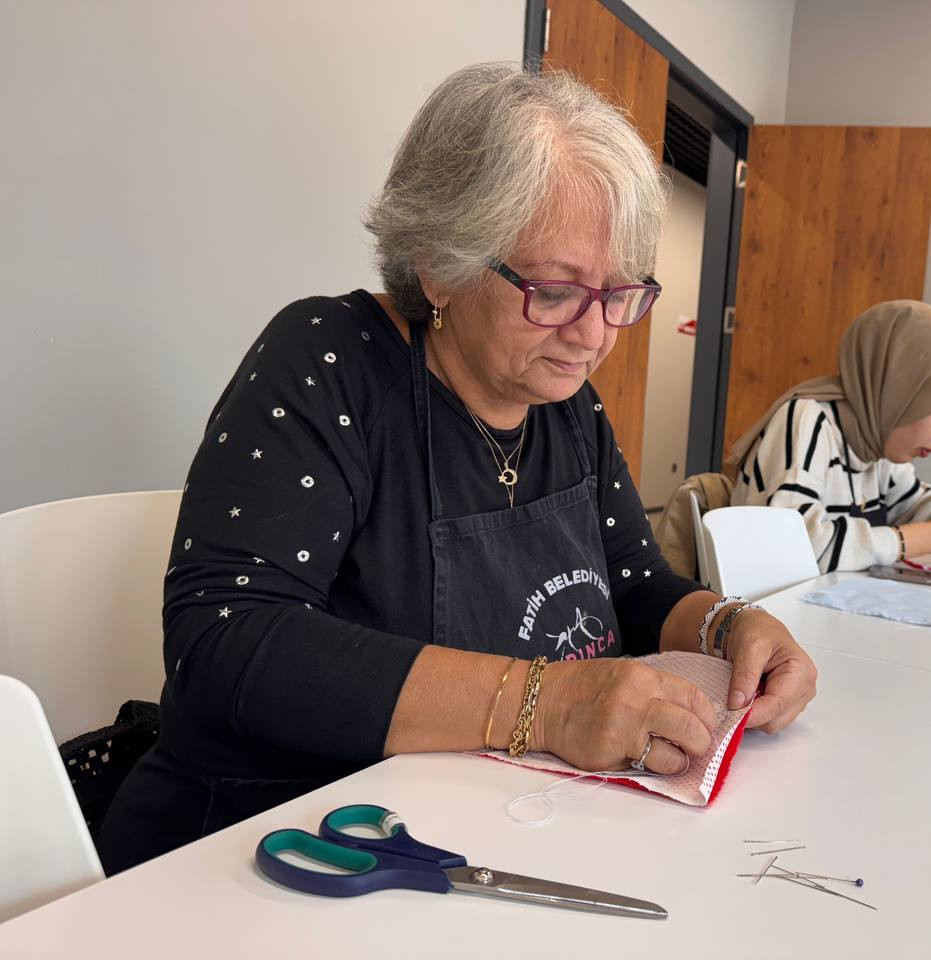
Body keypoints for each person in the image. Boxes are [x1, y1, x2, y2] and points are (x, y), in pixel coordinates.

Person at [98, 63, 816, 873]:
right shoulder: (330, 363)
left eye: (619, 293)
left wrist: (730, 629)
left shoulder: (567, 407)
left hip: (483, 828)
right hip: (277, 850)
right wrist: (545, 705)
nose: (593, 336)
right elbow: (227, 641)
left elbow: (635, 584)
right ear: (440, 264)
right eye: (554, 291)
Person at [727, 300, 931, 572]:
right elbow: (789, 548)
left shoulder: (876, 439)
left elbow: (911, 504)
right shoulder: (807, 418)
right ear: (903, 392)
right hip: (769, 611)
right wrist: (928, 539)